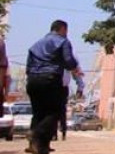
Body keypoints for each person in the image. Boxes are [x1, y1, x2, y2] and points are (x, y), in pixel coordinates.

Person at [26, 20, 79, 154]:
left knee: (38, 113)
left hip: (32, 80)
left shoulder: (36, 45)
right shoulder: (63, 41)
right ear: (62, 29)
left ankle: (39, 146)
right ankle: (36, 134)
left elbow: (28, 66)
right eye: (66, 31)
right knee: (54, 112)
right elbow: (68, 61)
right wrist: (74, 67)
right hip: (50, 79)